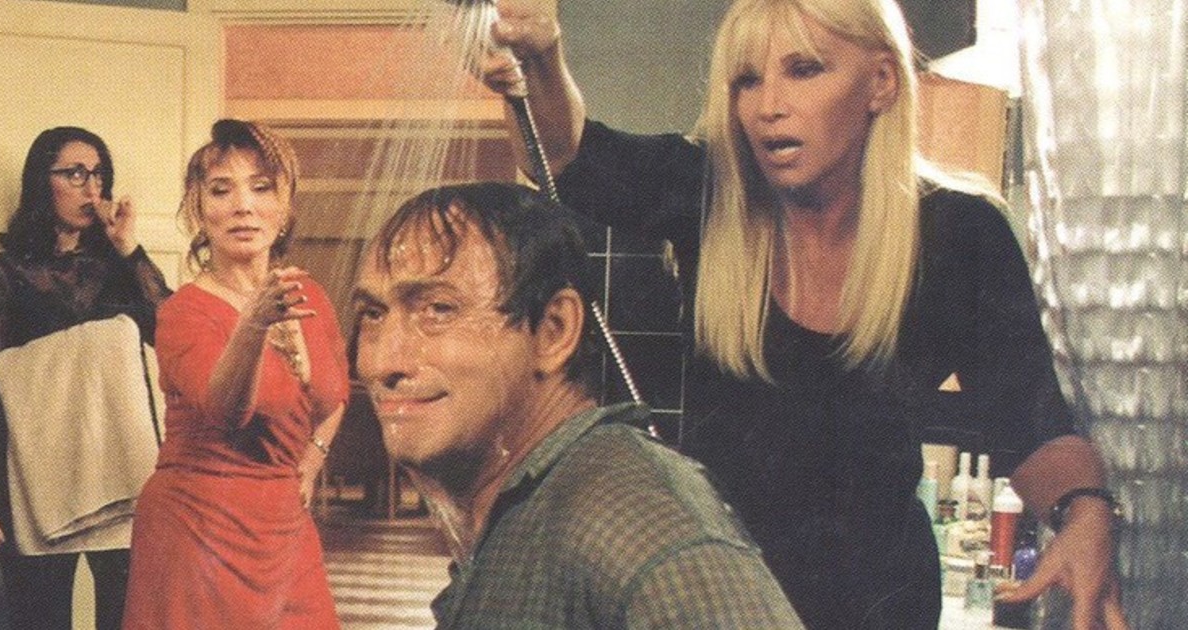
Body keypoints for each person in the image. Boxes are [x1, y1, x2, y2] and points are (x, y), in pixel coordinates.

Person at [482, 1, 1129, 628]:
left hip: (879, 604)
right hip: (717, 595)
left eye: (804, 70)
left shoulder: (959, 235)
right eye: (747, 80)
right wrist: (542, 55)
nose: (768, 106)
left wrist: (1084, 514)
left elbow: (1031, 425)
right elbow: (566, 157)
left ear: (881, 82)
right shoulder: (712, 194)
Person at [352, 182, 804, 628]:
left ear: (554, 331)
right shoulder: (534, 509)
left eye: (438, 310)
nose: (381, 362)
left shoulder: (633, 523)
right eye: (373, 315)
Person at [122, 119, 348, 629]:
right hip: (195, 526)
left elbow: (335, 393)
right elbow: (225, 411)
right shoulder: (183, 312)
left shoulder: (310, 295)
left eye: (261, 187)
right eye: (222, 190)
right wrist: (252, 327)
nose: (243, 205)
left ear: (285, 206)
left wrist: (312, 460)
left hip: (284, 525)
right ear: (199, 210)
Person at [0, 126, 172, 630]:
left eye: (98, 174)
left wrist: (128, 248)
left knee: (127, 618)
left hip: (121, 472)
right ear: (40, 182)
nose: (91, 188)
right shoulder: (4, 274)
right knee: (38, 620)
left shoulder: (118, 267)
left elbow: (175, 331)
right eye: (74, 173)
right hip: (33, 476)